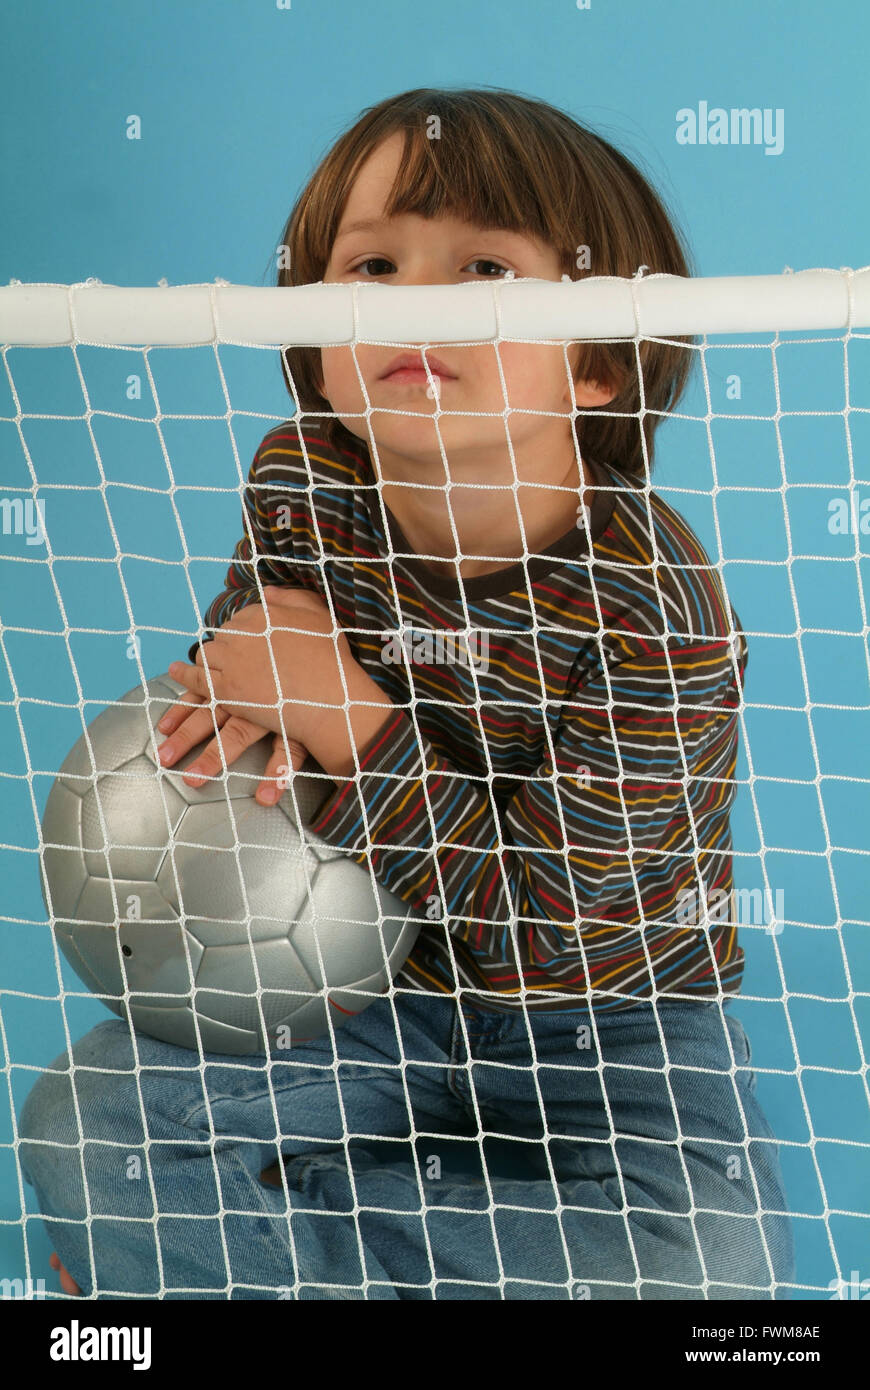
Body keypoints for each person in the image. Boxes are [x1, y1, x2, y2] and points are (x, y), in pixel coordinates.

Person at [20, 86, 794, 1300]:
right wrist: (248, 694)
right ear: (320, 347)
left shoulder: (657, 608)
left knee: (713, 1265)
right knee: (88, 1124)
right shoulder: (302, 482)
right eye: (371, 266)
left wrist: (359, 722)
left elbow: (547, 931)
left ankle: (247, 1260)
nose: (414, 301)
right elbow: (254, 705)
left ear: (599, 361)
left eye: (484, 267)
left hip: (613, 1027)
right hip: (356, 991)